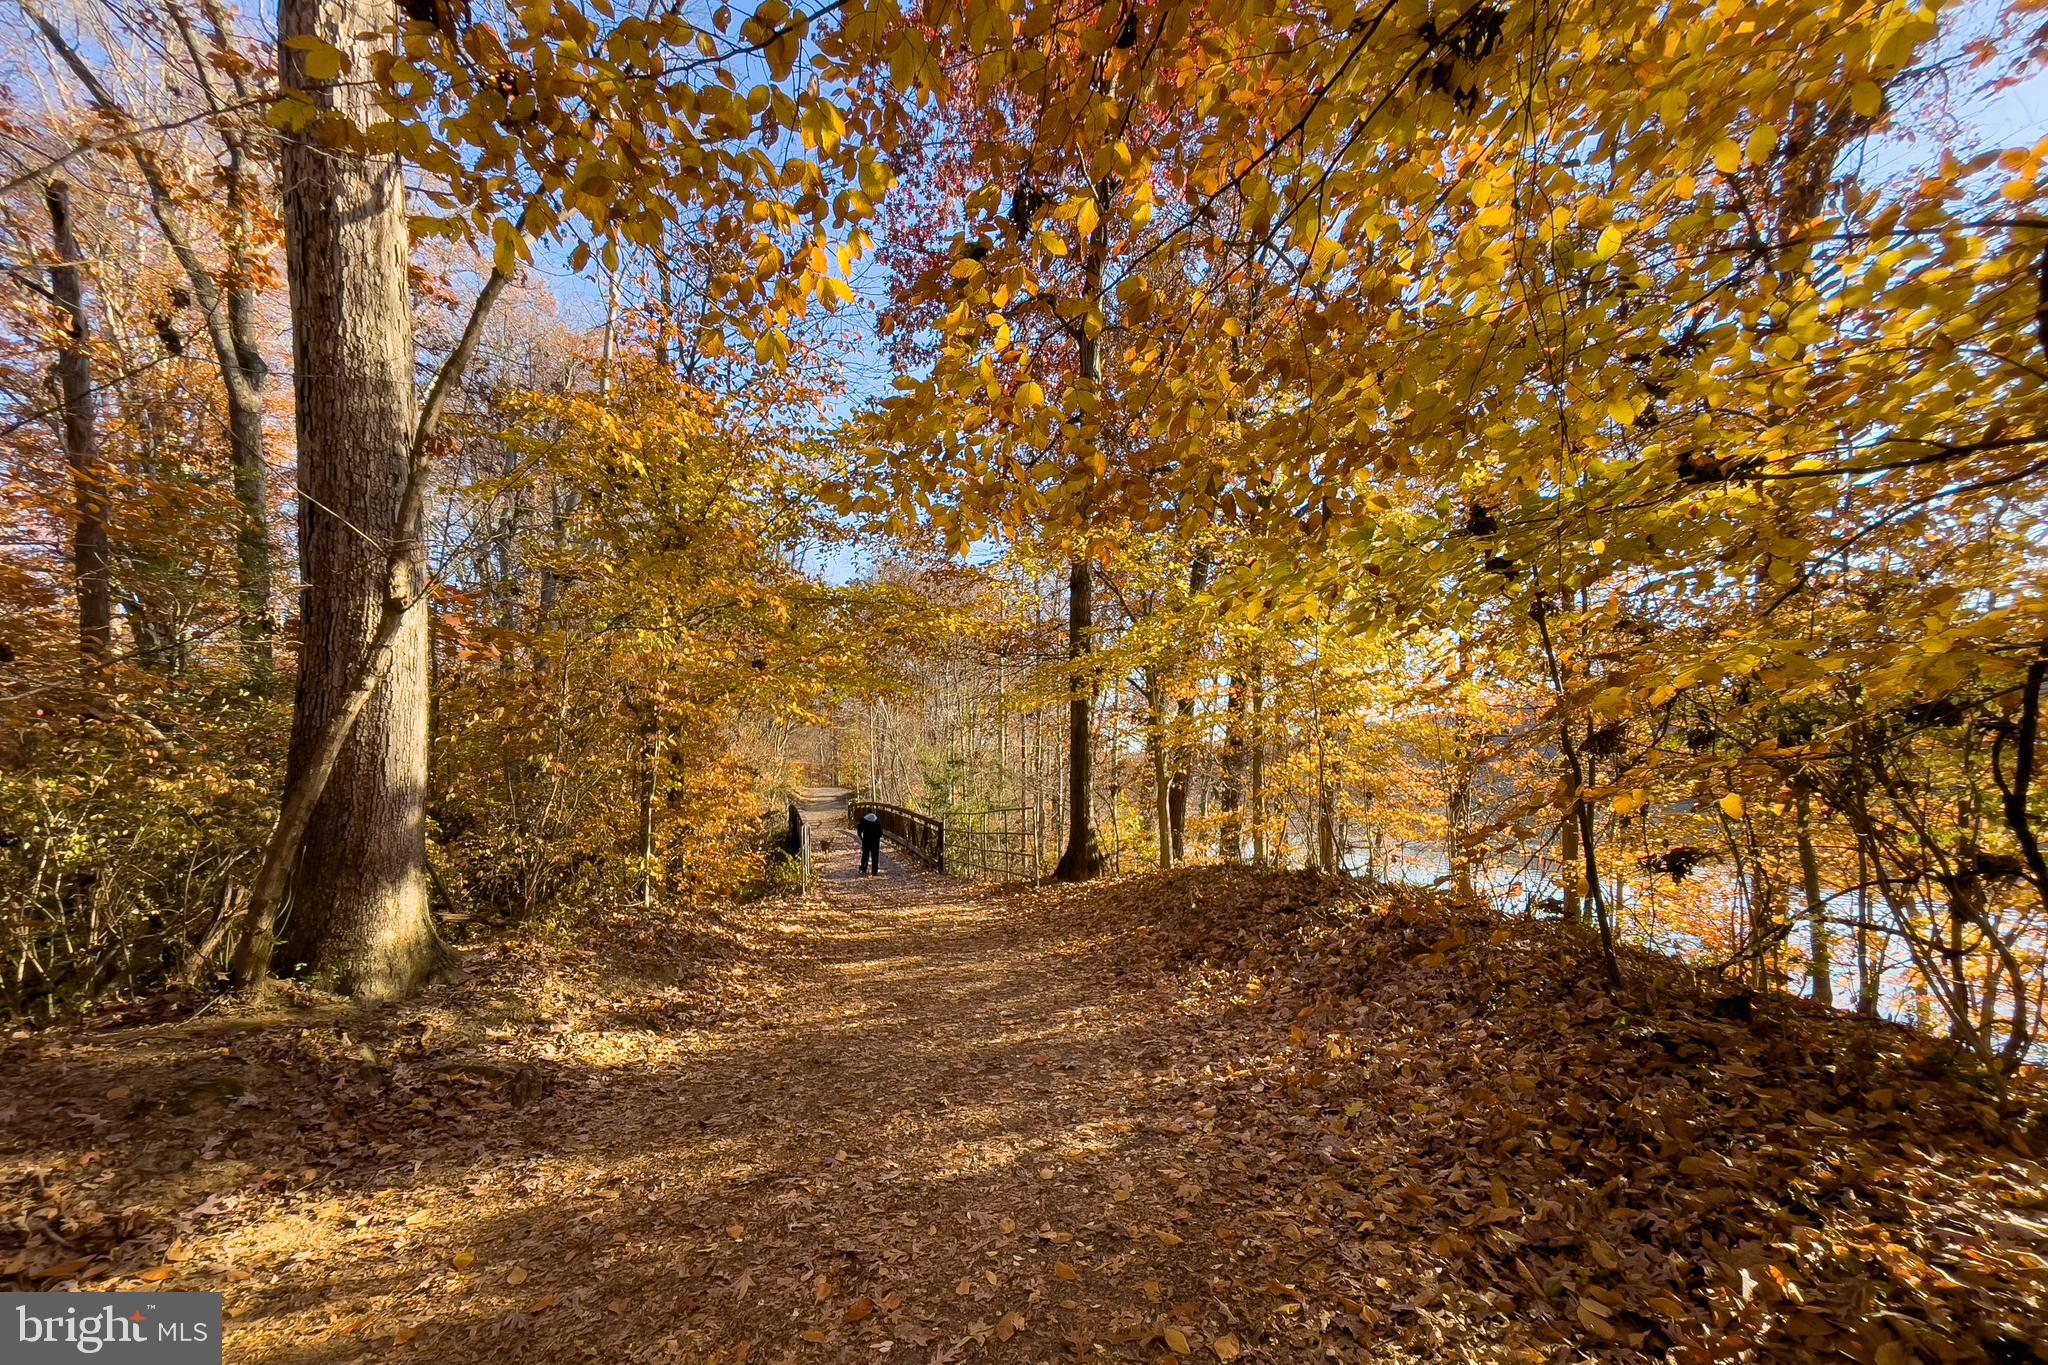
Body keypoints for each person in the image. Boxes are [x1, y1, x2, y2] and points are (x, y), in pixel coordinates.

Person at [858, 809, 884, 876]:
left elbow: (859, 830)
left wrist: (861, 837)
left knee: (865, 854)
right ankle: (874, 870)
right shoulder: (877, 820)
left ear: (867, 812)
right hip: (875, 841)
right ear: (873, 813)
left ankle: (863, 868)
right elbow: (880, 832)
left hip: (866, 839)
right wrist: (877, 837)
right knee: (875, 855)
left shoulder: (864, 819)